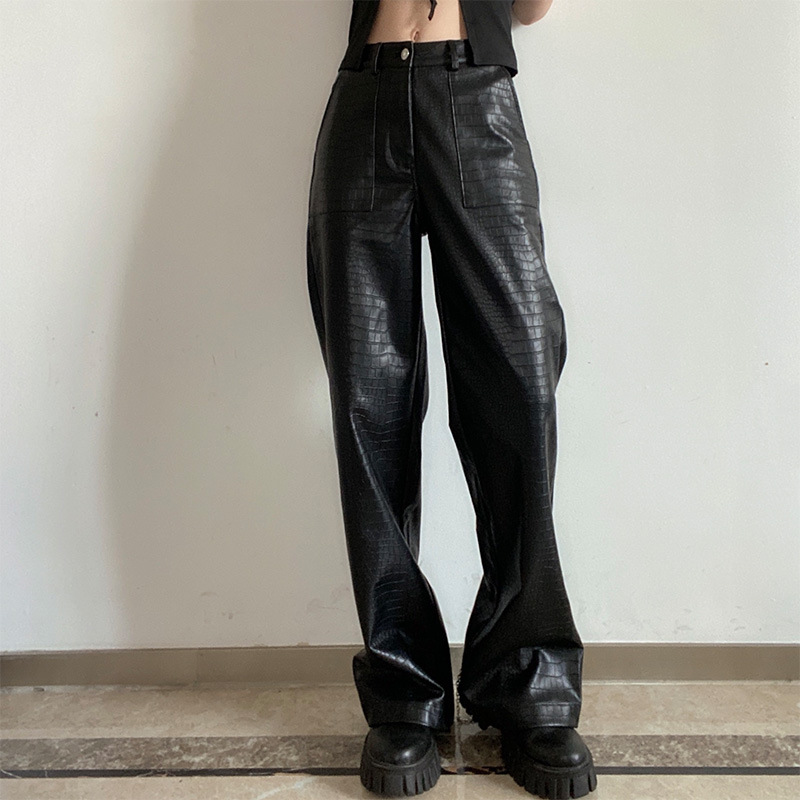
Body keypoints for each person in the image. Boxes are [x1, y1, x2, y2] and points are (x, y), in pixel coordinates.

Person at [305, 2, 597, 797]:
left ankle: (528, 682)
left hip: (475, 96)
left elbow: (532, 7)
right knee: (368, 401)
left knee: (520, 386)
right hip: (365, 99)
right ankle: (405, 692)